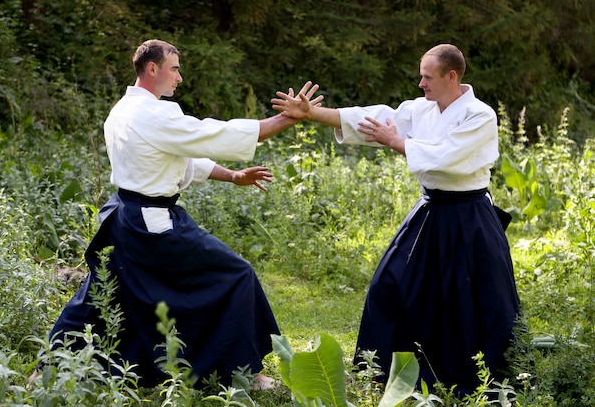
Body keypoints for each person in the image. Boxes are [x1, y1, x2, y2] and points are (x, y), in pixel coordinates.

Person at [32, 39, 322, 390]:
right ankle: (245, 371)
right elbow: (213, 135)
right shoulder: (154, 114)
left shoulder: (122, 110)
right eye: (175, 68)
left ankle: (45, 367)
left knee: (101, 294)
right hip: (151, 224)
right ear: (152, 69)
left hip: (123, 219)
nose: (180, 77)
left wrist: (232, 176)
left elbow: (175, 155)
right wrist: (288, 118)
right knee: (236, 275)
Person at [272, 44, 520, 394]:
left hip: (469, 218)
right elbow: (372, 119)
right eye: (420, 75)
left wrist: (398, 142)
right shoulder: (422, 110)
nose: (420, 83)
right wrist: (312, 113)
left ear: (452, 76)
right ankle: (384, 374)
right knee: (388, 286)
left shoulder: (479, 115)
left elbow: (446, 157)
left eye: (427, 76)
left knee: (469, 300)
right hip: (430, 210)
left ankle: (477, 383)